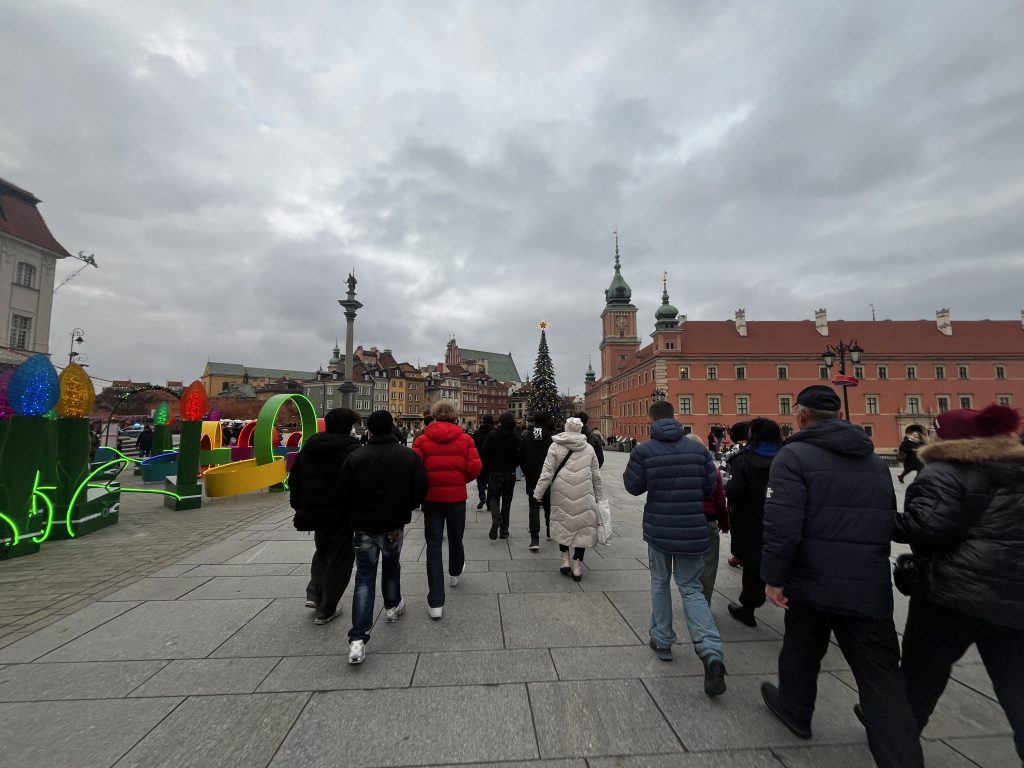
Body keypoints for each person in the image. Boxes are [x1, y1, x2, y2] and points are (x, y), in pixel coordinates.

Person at [760, 385, 923, 768]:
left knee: (801, 649)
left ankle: (795, 710)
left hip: (811, 580)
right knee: (882, 679)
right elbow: (886, 518)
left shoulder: (793, 456)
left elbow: (783, 526)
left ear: (800, 415)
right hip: (867, 583)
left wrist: (774, 577)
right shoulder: (874, 460)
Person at [894, 404, 1024, 761]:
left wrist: (878, 519)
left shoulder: (943, 472)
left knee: (919, 679)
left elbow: (925, 529)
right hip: (1014, 595)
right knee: (1017, 688)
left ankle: (898, 746)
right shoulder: (1019, 470)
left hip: (951, 595)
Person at [623, 400, 726, 697]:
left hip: (659, 528)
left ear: (650, 419)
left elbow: (632, 487)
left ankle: (662, 639)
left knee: (659, 582)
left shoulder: (643, 451)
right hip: (693, 529)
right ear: (675, 418)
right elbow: (709, 487)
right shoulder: (698, 450)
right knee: (692, 589)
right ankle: (711, 651)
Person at [339, 410, 427, 664]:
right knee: (391, 565)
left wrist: (354, 514)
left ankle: (358, 639)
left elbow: (343, 492)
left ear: (370, 430)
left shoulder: (356, 456)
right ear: (391, 428)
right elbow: (421, 488)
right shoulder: (408, 455)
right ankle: (392, 606)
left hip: (364, 526)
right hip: (393, 525)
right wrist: (406, 508)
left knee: (364, 577)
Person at [288, 408, 361, 624]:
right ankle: (327, 609)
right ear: (347, 427)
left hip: (315, 510)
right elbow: (359, 484)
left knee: (322, 550)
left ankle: (314, 593)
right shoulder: (352, 450)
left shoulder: (310, 447)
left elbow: (295, 479)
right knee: (341, 557)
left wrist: (299, 506)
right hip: (342, 513)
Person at [412, 401, 482, 620]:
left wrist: (427, 485)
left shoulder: (421, 439)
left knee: (433, 545)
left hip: (432, 500)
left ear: (434, 416)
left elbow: (415, 469)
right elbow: (475, 467)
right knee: (456, 536)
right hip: (456, 499)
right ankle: (455, 572)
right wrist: (459, 480)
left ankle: (435, 602)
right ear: (454, 417)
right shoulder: (465, 439)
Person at [725, 418, 782, 627]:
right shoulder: (787, 457)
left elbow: (734, 492)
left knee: (752, 564)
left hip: (751, 520)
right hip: (783, 519)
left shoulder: (744, 459)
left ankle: (748, 608)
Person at [532, 417, 602, 582]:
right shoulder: (589, 448)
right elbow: (596, 476)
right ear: (580, 429)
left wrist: (538, 494)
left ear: (566, 428)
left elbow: (547, 473)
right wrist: (599, 497)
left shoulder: (555, 446)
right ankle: (577, 565)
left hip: (561, 491)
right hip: (584, 492)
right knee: (582, 527)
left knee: (563, 523)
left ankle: (565, 559)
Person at [481, 412, 520, 540]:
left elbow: (484, 452)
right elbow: (519, 455)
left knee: (493, 497)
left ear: (500, 422)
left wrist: (490, 464)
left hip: (495, 472)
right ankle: (504, 530)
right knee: (507, 502)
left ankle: (496, 517)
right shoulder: (516, 437)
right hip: (510, 473)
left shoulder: (493, 435)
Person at [520, 411, 555, 550]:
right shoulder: (551, 437)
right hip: (549, 476)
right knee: (548, 505)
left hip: (532, 476)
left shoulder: (527, 435)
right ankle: (549, 530)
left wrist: (527, 471)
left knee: (534, 506)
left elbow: (521, 456)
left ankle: (534, 539)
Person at [472, 414, 496, 510]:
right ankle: (489, 503)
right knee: (491, 482)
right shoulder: (495, 433)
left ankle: (482, 496)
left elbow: (473, 447)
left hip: (480, 460)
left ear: (483, 421)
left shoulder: (477, 433)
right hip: (492, 461)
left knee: (480, 480)